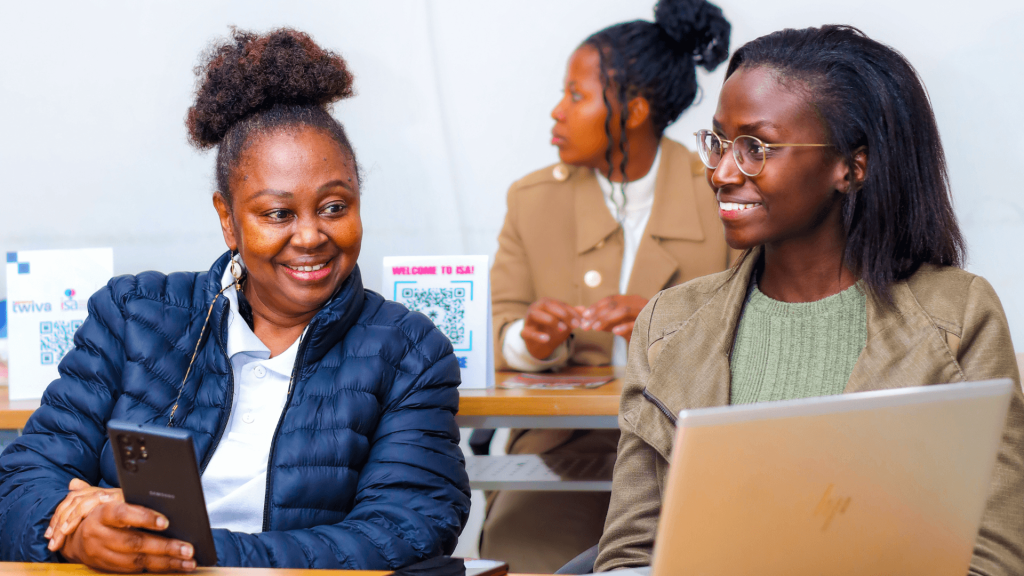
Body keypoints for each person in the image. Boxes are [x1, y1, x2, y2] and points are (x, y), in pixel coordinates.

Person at [0, 28, 470, 572]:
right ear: (228, 220)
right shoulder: (133, 314)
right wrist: (81, 532)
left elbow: (407, 527)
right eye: (278, 214)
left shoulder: (409, 350)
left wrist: (190, 551)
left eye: (335, 206)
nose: (312, 235)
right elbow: (22, 481)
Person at [596, 25, 1024, 575]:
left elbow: (992, 559)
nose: (722, 172)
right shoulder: (668, 324)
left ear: (852, 166)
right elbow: (629, 557)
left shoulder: (958, 314)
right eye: (719, 142)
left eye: (756, 148)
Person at [482, 0, 732, 572]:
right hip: (560, 451)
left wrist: (664, 325)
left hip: (686, 453)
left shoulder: (720, 193)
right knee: (523, 553)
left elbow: (761, 326)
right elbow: (496, 329)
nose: (556, 111)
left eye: (575, 95)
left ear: (635, 108)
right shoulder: (531, 199)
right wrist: (531, 340)